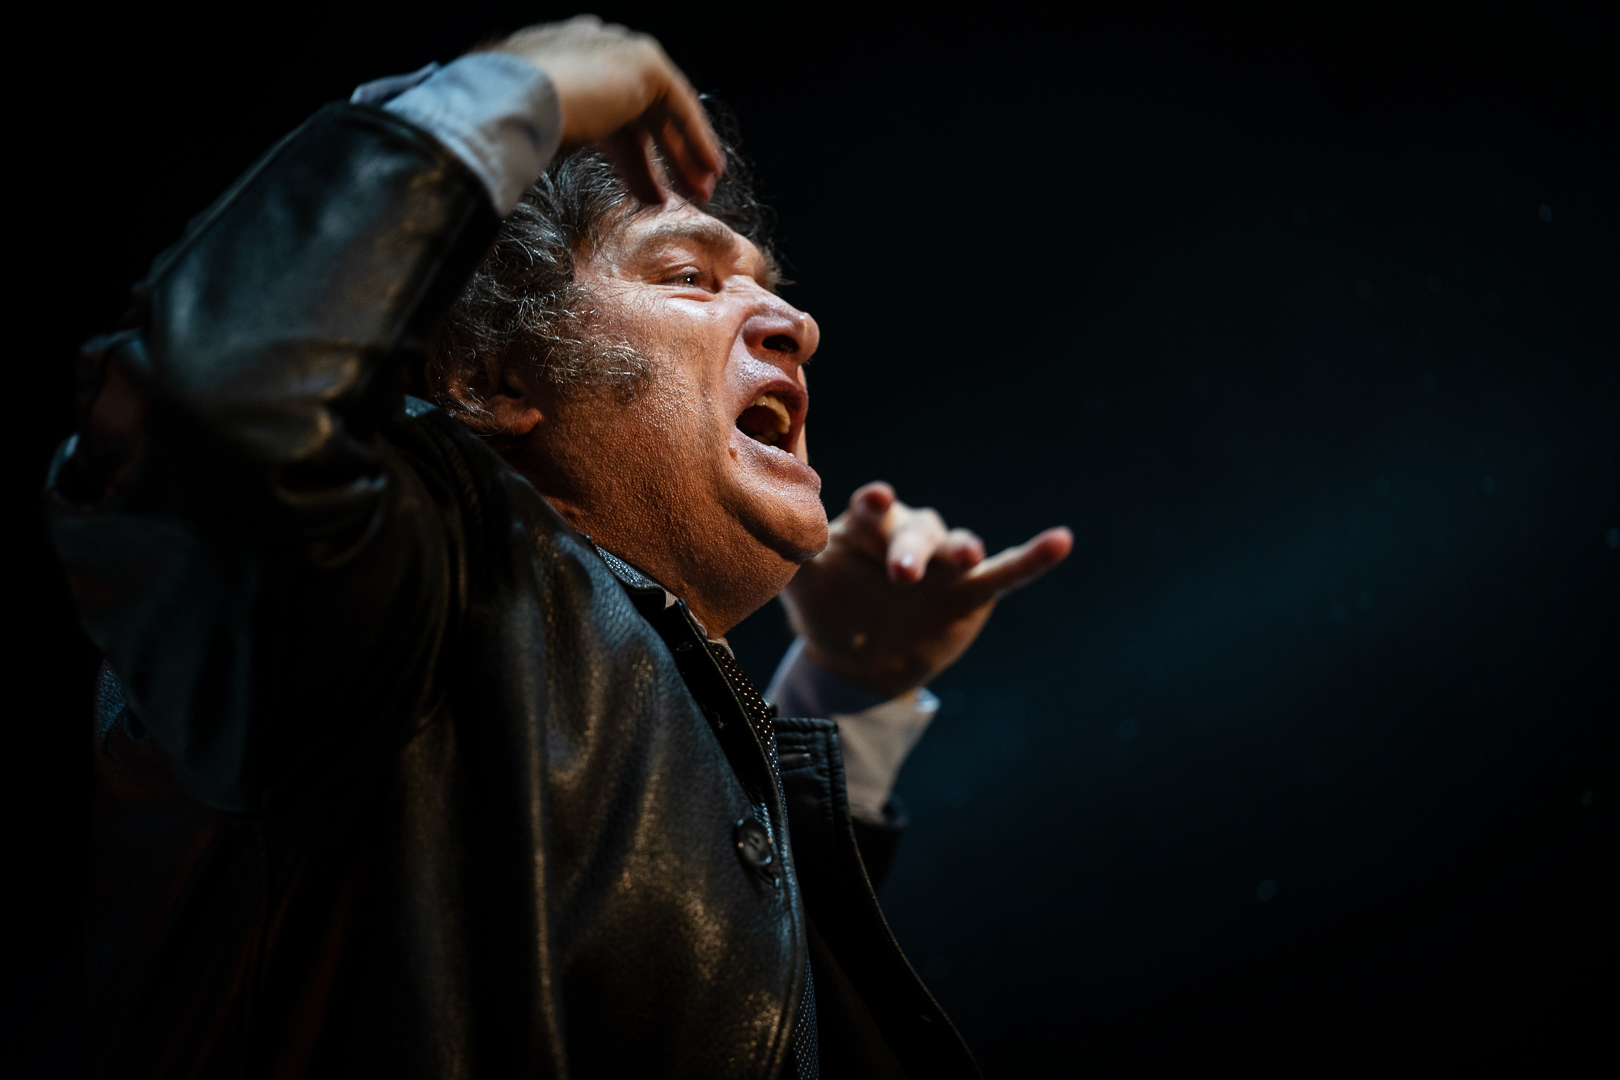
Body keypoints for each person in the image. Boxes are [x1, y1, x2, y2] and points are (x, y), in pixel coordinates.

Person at [47, 16, 1071, 1078]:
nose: (791, 319)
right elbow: (202, 413)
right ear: (492, 377)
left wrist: (846, 697)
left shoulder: (600, 683)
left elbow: (707, 959)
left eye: (767, 284)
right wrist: (498, 95)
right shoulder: (407, 581)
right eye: (688, 276)